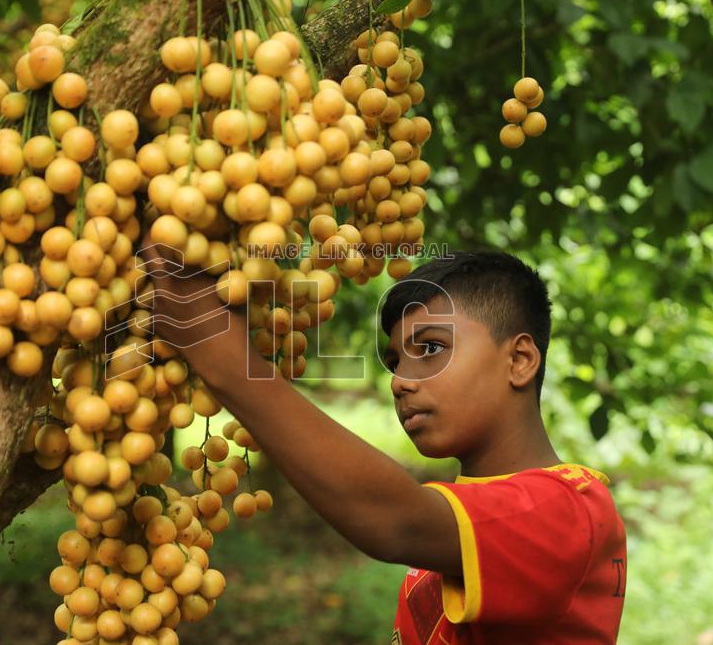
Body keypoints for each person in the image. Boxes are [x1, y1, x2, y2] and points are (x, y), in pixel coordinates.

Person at [136, 240, 627, 644]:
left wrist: (224, 361)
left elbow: (395, 521)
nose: (400, 382)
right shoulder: (469, 516)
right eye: (396, 362)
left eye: (431, 348)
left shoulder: (568, 511)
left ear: (519, 360)